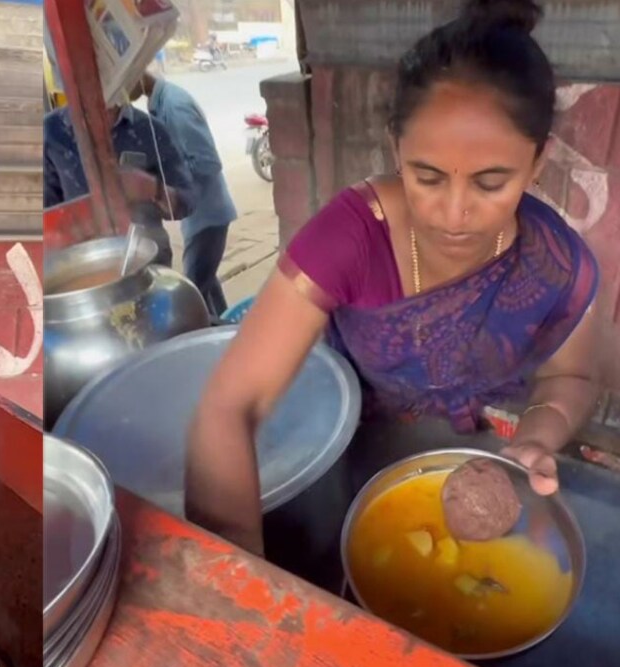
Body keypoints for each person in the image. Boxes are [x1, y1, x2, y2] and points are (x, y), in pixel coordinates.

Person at [186, 0, 599, 556]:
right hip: (340, 450)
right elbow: (229, 407)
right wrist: (236, 574)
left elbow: (569, 381)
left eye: (490, 184)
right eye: (426, 177)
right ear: (395, 147)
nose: (454, 214)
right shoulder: (349, 239)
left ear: (538, 162)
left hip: (460, 453)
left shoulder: (555, 262)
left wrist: (535, 440)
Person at [132, 70, 238, 319]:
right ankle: (226, 328)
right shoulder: (158, 102)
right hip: (200, 217)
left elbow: (208, 162)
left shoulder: (174, 105)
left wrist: (160, 183)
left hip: (207, 216)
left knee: (192, 292)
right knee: (207, 285)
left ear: (135, 75)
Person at [43, 103, 195, 267]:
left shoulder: (150, 129)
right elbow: (46, 213)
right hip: (84, 263)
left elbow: (187, 202)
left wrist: (152, 188)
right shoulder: (51, 132)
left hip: (149, 259)